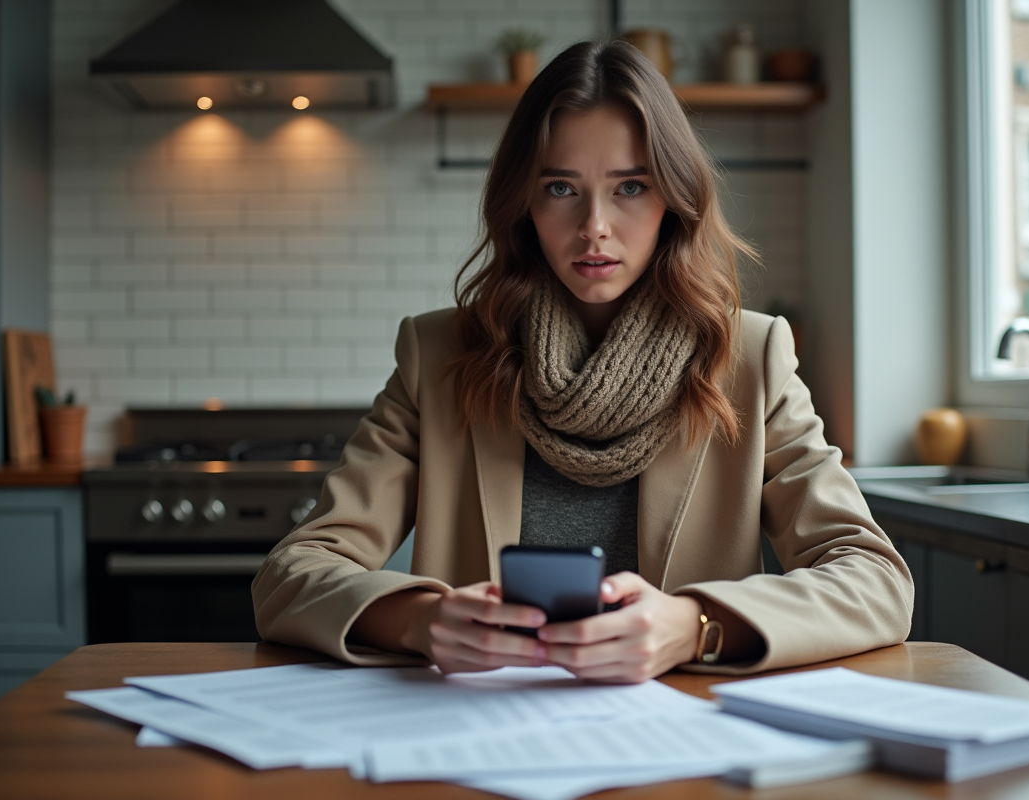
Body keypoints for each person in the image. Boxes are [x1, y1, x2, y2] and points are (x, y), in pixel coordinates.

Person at [252, 39, 913, 682]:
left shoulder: (749, 356)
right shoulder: (440, 354)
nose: (594, 225)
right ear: (524, 206)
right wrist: (417, 621)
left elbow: (876, 581)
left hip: (687, 751)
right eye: (562, 189)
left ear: (672, 201)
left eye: (630, 187)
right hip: (474, 737)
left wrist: (695, 625)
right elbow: (292, 575)